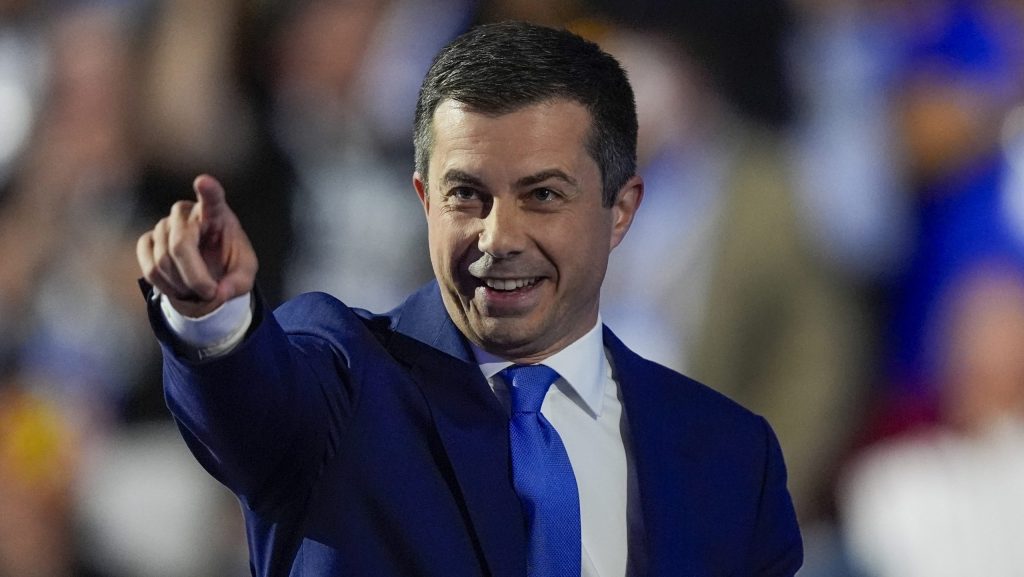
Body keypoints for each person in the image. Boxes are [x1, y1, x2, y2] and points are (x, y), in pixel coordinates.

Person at [136, 21, 802, 577]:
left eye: (543, 195)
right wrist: (210, 315)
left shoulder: (731, 457)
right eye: (467, 195)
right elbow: (253, 403)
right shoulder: (342, 379)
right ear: (425, 201)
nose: (498, 237)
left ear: (620, 210)